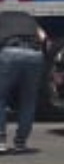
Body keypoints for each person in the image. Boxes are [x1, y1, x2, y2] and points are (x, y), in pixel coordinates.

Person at [0, 9, 47, 154]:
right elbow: (43, 37)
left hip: (10, 52)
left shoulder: (2, 19)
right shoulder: (30, 20)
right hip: (35, 54)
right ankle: (20, 143)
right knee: (28, 100)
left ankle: (0, 142)